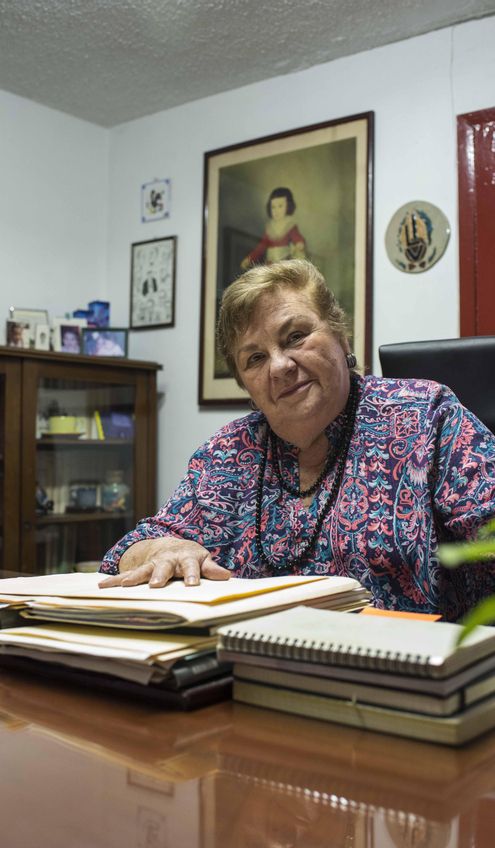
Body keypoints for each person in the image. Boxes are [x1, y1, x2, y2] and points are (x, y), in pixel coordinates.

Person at [99, 260, 495, 621]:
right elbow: (128, 549)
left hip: (410, 666)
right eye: (255, 358)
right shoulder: (227, 454)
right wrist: (162, 550)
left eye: (295, 337)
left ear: (342, 338)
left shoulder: (426, 417)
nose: (279, 366)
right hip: (253, 664)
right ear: (246, 386)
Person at [240, 187, 306, 270]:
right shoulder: (269, 227)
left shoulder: (289, 224)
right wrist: (250, 259)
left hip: (284, 261)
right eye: (273, 207)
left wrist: (299, 243)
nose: (276, 210)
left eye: (280, 206)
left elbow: (296, 236)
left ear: (288, 206)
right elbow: (261, 247)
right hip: (270, 263)